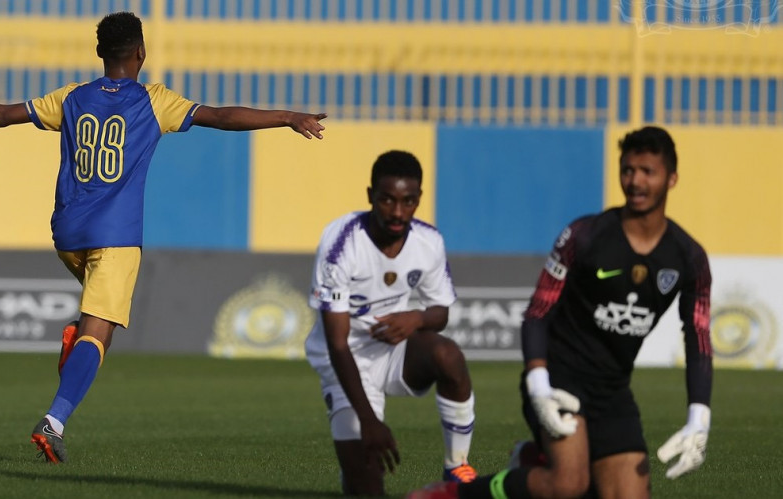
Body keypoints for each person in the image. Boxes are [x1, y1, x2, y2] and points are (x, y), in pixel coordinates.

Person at [0, 11, 326, 464]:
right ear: (141, 52)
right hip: (115, 237)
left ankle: (78, 347)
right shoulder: (154, 100)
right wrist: (287, 116)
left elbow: (0, 114)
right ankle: (53, 420)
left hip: (67, 235)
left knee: (97, 328)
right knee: (100, 331)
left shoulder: (71, 97)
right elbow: (221, 116)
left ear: (99, 53)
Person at [407, 126, 713, 499]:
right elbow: (538, 312)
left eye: (648, 171)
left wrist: (699, 418)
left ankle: (530, 459)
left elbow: (697, 339)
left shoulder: (689, 257)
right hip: (558, 377)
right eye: (628, 170)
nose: (636, 181)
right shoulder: (585, 235)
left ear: (672, 178)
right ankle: (453, 495)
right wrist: (538, 383)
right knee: (568, 484)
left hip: (613, 390)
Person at [305, 150, 478, 496]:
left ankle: (455, 467)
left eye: (408, 201)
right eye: (387, 200)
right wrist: (369, 421)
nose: (398, 212)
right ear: (371, 196)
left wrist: (416, 317)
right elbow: (338, 344)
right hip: (344, 359)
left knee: (448, 356)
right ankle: (355, 470)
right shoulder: (341, 243)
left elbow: (440, 312)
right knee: (367, 486)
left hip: (393, 350)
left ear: (419, 200)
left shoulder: (429, 242)